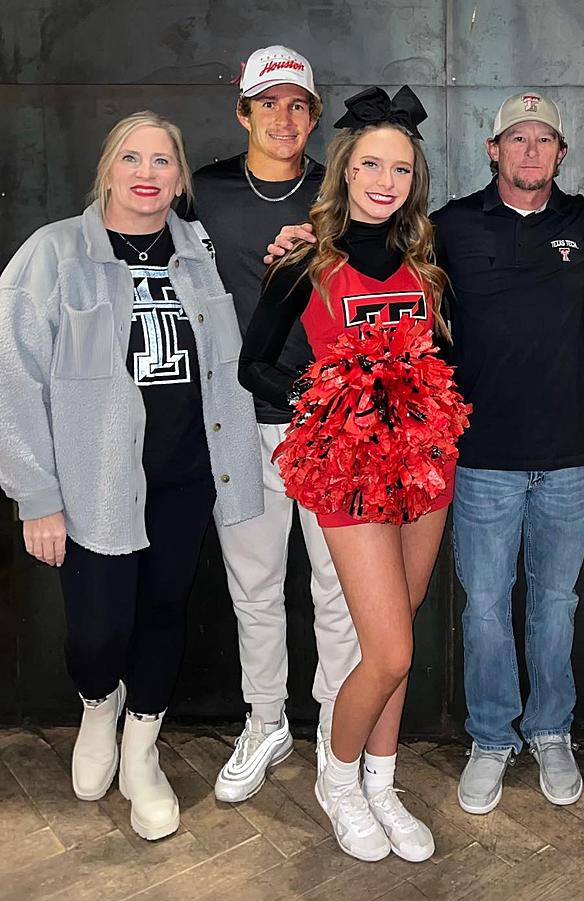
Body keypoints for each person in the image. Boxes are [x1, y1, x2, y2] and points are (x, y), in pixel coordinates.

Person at [266, 91, 584, 816]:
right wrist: (333, 391)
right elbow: (343, 273)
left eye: (544, 139)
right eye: (515, 138)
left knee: (555, 605)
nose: (530, 151)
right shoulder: (446, 231)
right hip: (473, 456)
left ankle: (549, 731)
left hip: (566, 451)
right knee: (483, 609)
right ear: (492, 149)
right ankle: (490, 737)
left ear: (563, 151)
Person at [0, 111, 263, 841]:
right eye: (132, 159)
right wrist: (37, 496)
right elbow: (11, 381)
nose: (147, 174)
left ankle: (143, 747)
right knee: (98, 628)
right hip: (93, 486)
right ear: (108, 168)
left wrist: (234, 471)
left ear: (180, 178)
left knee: (163, 612)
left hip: (184, 476)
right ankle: (98, 703)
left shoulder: (199, 254)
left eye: (162, 161)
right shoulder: (52, 255)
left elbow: (225, 364)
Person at [238, 85, 464, 864]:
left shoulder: (427, 263)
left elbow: (446, 362)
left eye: (400, 168)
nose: (385, 179)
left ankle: (383, 778)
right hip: (348, 470)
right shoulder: (305, 256)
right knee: (390, 650)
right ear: (346, 168)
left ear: (414, 180)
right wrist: (327, 401)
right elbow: (254, 367)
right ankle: (337, 782)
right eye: (371, 163)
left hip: (427, 465)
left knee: (404, 625)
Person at [188, 44, 359, 806]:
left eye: (298, 105)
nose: (284, 118)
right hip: (237, 420)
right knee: (254, 587)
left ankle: (332, 725)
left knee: (337, 588)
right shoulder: (206, 190)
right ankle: (265, 720)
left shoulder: (343, 194)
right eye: (269, 104)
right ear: (244, 111)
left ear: (315, 116)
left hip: (328, 420)